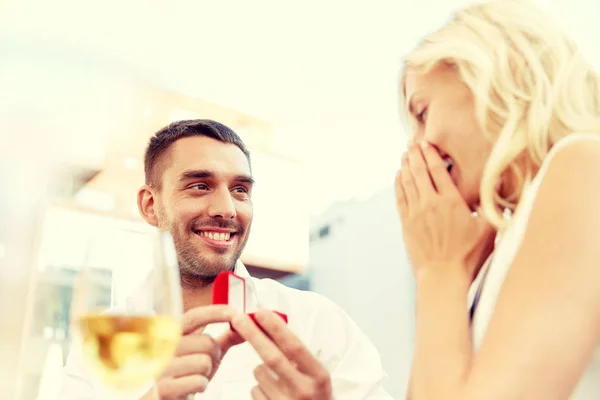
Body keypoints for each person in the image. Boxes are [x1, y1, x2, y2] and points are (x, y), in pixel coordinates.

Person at [59, 119, 391, 400]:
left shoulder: (318, 323)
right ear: (149, 205)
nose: (227, 209)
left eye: (240, 190)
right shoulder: (103, 339)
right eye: (200, 185)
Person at [395, 0, 600, 399]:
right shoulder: (494, 256)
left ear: (503, 71)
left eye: (422, 113)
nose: (419, 148)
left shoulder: (583, 163)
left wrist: (439, 271)